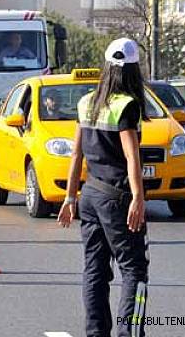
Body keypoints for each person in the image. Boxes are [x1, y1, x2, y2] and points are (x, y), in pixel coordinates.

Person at [57, 38, 149, 337]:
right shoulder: (127, 106)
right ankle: (129, 333)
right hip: (117, 197)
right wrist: (138, 198)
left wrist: (70, 197)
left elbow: (76, 153)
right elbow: (131, 157)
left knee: (95, 270)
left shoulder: (87, 102)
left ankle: (96, 333)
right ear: (133, 71)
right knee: (134, 269)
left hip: (90, 194)